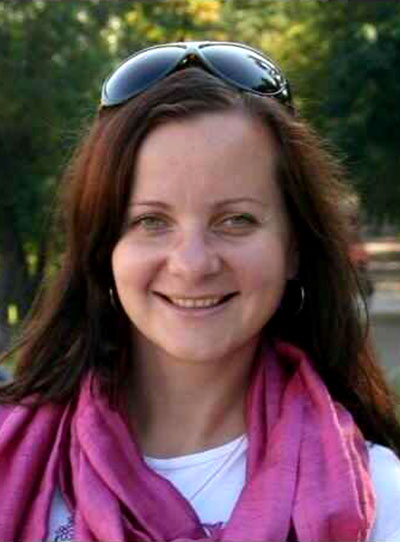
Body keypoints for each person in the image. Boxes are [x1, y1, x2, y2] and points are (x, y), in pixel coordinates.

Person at [0, 41, 399, 542]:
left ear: (294, 247)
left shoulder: (379, 501)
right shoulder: (13, 463)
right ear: (103, 248)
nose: (192, 264)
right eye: (151, 221)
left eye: (236, 220)